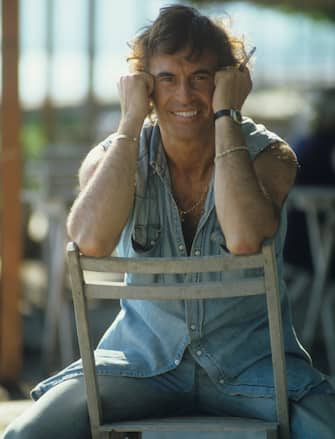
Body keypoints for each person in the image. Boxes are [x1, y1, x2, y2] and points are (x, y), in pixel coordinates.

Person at [4, 5, 335, 438]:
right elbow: (88, 239)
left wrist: (226, 118)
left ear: (225, 82)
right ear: (143, 86)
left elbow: (244, 238)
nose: (184, 95)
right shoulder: (113, 156)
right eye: (166, 78)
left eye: (201, 77)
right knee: (26, 435)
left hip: (257, 371)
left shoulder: (270, 157)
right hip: (139, 366)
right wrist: (129, 121)